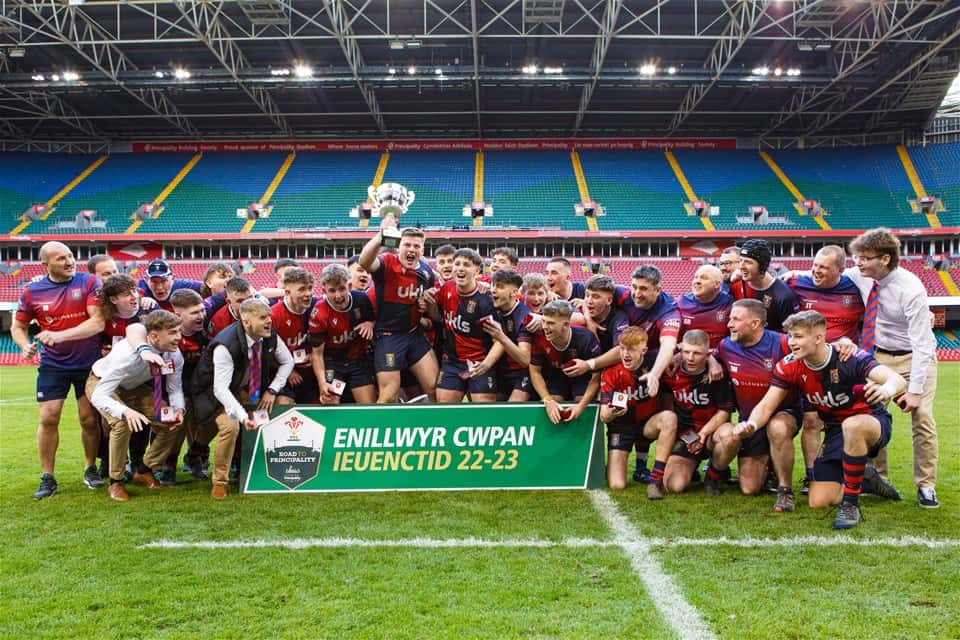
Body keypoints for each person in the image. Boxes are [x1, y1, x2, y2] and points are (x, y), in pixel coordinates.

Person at [741, 310, 905, 529]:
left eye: (798, 336)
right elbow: (766, 405)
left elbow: (896, 378)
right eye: (790, 336)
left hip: (869, 421)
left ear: (818, 338)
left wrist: (887, 389)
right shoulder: (789, 365)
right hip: (836, 430)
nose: (792, 342)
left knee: (852, 425)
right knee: (818, 501)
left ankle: (850, 505)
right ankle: (866, 478)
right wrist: (751, 424)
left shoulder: (848, 357)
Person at [847, 228, 939, 508]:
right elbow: (829, 270)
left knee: (922, 418)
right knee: (874, 414)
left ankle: (926, 485)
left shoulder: (911, 288)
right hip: (879, 358)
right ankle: (878, 478)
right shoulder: (860, 276)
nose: (858, 263)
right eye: (856, 257)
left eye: (864, 258)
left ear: (885, 259)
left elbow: (923, 345)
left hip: (914, 358)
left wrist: (912, 391)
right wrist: (788, 277)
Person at [12, 241, 105, 499]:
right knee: (48, 417)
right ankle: (48, 476)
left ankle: (90, 468)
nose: (69, 262)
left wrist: (59, 334)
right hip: (53, 365)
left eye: (71, 256)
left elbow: (97, 322)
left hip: (89, 363)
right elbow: (18, 327)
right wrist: (24, 346)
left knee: (88, 418)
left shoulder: (88, 282)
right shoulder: (32, 292)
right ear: (45, 264)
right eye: (61, 258)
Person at [191, 298, 294, 499]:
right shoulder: (225, 345)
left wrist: (272, 390)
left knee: (278, 408)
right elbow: (220, 389)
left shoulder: (269, 335)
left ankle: (261, 470)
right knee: (231, 427)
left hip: (246, 388)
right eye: (262, 318)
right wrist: (242, 415)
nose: (269, 322)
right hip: (212, 393)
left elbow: (288, 361)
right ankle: (220, 482)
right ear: (246, 322)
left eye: (269, 317)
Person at [785, 245, 865, 493]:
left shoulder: (857, 289)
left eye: (824, 267)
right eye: (815, 265)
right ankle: (812, 476)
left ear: (841, 270)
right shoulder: (796, 282)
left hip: (844, 368)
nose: (816, 271)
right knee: (810, 421)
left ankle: (861, 473)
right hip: (809, 367)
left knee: (850, 422)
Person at [87, 310, 185, 501]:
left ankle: (143, 470)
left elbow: (175, 389)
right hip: (101, 382)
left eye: (179, 331)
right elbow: (100, 395)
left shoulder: (175, 355)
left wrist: (179, 409)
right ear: (154, 336)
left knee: (171, 422)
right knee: (122, 423)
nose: (179, 337)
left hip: (133, 387)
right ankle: (116, 482)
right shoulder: (128, 356)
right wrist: (124, 410)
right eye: (173, 333)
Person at [711, 299, 799, 505]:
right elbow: (710, 355)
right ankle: (768, 463)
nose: (729, 324)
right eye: (730, 318)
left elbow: (814, 346)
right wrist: (711, 361)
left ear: (755, 324)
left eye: (736, 319)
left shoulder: (783, 343)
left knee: (777, 427)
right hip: (750, 420)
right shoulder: (726, 346)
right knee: (749, 488)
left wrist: (844, 344)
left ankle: (785, 490)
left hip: (784, 413)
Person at [358, 214, 438, 403]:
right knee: (388, 395)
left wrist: (427, 306)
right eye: (407, 245)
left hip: (414, 334)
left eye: (416, 246)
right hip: (389, 336)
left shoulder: (427, 273)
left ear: (422, 249)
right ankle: (380, 431)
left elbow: (430, 313)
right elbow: (364, 262)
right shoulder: (387, 262)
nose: (411, 249)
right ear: (399, 246)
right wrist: (380, 236)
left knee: (435, 388)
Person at [616, 265, 681, 482]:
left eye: (643, 288)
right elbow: (589, 292)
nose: (636, 293)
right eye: (634, 286)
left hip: (652, 363)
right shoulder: (622, 293)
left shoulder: (669, 310)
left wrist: (654, 373)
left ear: (658, 289)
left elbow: (669, 343)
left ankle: (654, 465)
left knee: (657, 408)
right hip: (619, 358)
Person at [598, 327, 677, 498]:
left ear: (643, 350)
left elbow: (683, 350)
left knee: (669, 418)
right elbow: (604, 416)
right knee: (617, 484)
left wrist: (711, 361)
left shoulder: (656, 363)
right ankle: (617, 464)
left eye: (631, 349)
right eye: (622, 348)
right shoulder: (612, 371)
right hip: (621, 427)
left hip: (646, 426)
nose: (626, 354)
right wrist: (612, 412)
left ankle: (655, 480)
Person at [422, 248, 503, 403]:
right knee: (445, 409)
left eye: (466, 264)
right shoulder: (446, 288)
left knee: (483, 412)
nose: (460, 268)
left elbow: (499, 340)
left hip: (479, 362)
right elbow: (438, 318)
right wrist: (430, 304)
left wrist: (486, 365)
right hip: (452, 362)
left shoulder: (486, 299)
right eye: (457, 263)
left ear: (477, 270)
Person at [661, 330, 735, 495]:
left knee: (731, 435)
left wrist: (703, 434)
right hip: (685, 435)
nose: (690, 358)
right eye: (686, 352)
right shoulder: (671, 370)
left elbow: (724, 412)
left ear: (708, 353)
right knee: (674, 486)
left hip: (710, 433)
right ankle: (689, 466)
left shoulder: (718, 374)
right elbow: (667, 407)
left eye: (697, 353)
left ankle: (713, 475)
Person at [308, 264, 377, 404]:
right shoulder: (319, 312)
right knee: (330, 401)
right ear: (324, 291)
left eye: (341, 289)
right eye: (332, 291)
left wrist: (370, 324)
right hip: (332, 363)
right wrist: (322, 384)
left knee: (369, 407)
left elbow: (375, 320)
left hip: (358, 361)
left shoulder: (361, 300)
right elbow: (316, 354)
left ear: (349, 286)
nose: (338, 296)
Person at [529, 300, 601, 425]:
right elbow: (534, 371)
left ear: (566, 324)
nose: (545, 327)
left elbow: (596, 376)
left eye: (551, 323)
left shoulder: (585, 338)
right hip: (556, 376)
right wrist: (548, 401)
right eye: (544, 321)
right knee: (555, 406)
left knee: (580, 403)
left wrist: (581, 406)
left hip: (582, 377)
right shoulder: (539, 338)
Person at [271, 267, 321, 405]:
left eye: (310, 288)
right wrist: (289, 371)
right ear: (287, 292)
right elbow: (268, 353)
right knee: (283, 403)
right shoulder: (274, 315)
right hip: (283, 373)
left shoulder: (317, 307)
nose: (308, 294)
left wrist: (315, 354)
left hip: (311, 371)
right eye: (301, 289)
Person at [483, 269, 534, 401]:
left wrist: (501, 337)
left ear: (514, 292)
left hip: (522, 373)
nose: (493, 290)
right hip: (500, 372)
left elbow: (524, 360)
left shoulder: (524, 317)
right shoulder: (492, 306)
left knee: (513, 409)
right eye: (493, 285)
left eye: (500, 287)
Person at [729, 239, 799, 333]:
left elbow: (791, 333)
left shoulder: (783, 296)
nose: (741, 266)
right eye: (740, 260)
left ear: (762, 266)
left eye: (748, 262)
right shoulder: (736, 284)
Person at [677, 265, 734, 350]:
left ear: (717, 284)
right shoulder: (681, 303)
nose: (697, 281)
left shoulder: (730, 303)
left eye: (704, 278)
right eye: (696, 277)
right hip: (690, 356)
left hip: (719, 356)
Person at [137, 259, 202, 311]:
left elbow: (209, 287)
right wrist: (139, 300)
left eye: (164, 281)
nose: (159, 287)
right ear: (146, 280)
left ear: (173, 278)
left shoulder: (184, 286)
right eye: (154, 282)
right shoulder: (139, 289)